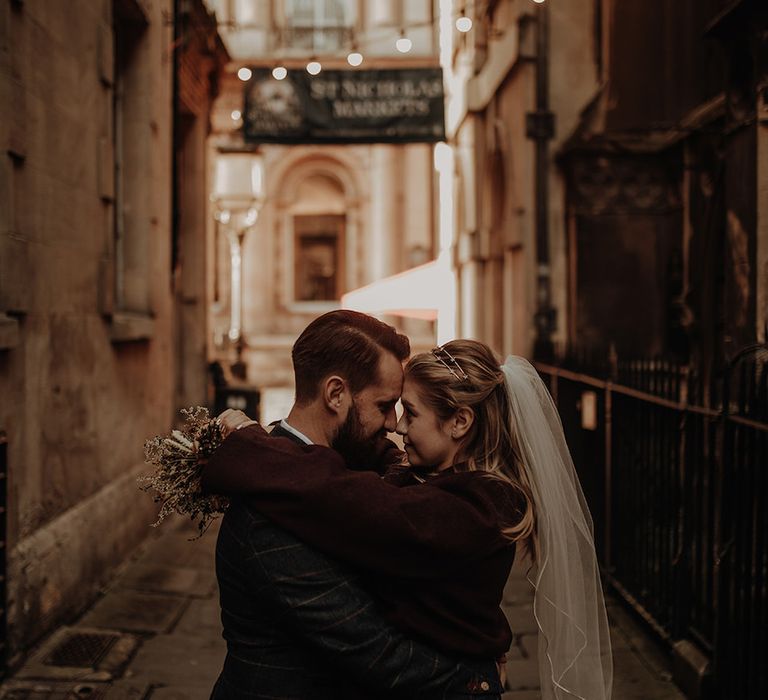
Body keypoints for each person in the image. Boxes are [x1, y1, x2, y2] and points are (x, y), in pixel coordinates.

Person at [206, 338, 614, 700]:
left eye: (410, 414)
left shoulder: (474, 510)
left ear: (459, 422)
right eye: (391, 408)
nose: (397, 427)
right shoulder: (442, 478)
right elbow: (383, 461)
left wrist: (253, 448)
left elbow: (351, 496)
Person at [206, 311, 503, 699]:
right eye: (384, 405)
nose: (394, 424)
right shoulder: (272, 507)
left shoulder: (321, 468)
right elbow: (375, 650)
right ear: (335, 394)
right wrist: (477, 679)